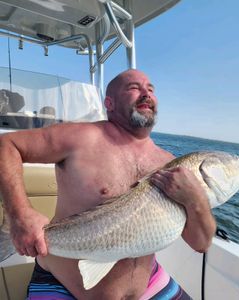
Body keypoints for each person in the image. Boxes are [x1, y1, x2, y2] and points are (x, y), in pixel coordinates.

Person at [0, 69, 216, 299]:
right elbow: (7, 145)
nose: (146, 93)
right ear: (109, 103)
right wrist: (20, 214)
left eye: (151, 89)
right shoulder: (80, 137)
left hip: (150, 283)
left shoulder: (170, 164)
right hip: (64, 285)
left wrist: (196, 201)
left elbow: (201, 244)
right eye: (134, 88)